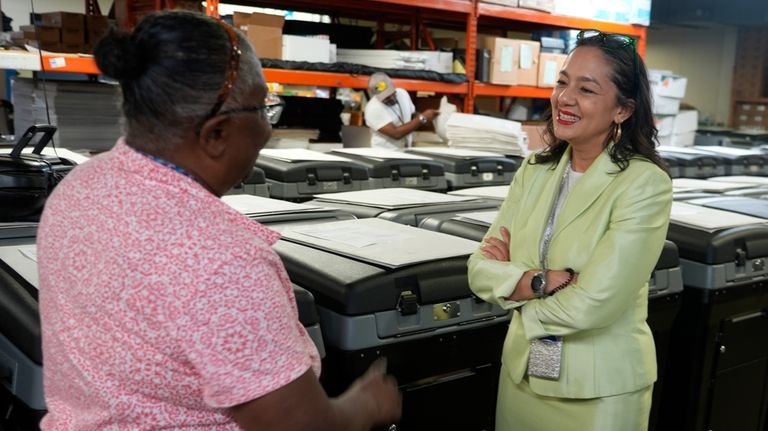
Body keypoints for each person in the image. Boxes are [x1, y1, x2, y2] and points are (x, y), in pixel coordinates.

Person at [36, 11, 401, 430]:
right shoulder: (219, 262)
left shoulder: (78, 187)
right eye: (264, 108)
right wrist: (367, 404)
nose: (268, 129)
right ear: (215, 134)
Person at [468, 29, 672, 431]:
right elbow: (478, 268)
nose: (565, 98)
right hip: (521, 377)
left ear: (623, 110)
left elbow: (597, 301)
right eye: (562, 82)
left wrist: (514, 285)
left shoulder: (643, 184)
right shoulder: (534, 171)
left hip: (597, 393)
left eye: (586, 89)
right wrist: (542, 281)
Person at [364, 72, 438, 149]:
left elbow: (412, 114)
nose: (391, 98)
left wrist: (425, 119)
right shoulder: (373, 109)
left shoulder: (402, 93)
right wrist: (422, 119)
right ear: (376, 96)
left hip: (405, 150)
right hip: (385, 154)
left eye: (391, 93)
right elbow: (396, 134)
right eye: (386, 97)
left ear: (393, 86)